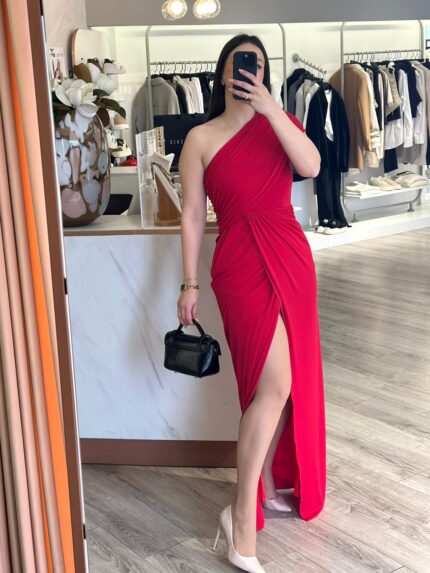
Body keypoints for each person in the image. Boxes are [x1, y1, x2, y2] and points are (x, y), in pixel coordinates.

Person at [177, 34, 326, 573]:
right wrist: (188, 283)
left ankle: (261, 489)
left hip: (290, 256)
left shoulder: (278, 122)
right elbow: (192, 214)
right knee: (273, 384)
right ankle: (240, 519)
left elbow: (311, 165)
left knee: (284, 386)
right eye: (242, 64)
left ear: (265, 74)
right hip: (239, 263)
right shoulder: (199, 137)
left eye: (258, 65)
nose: (249, 71)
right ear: (223, 72)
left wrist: (272, 110)